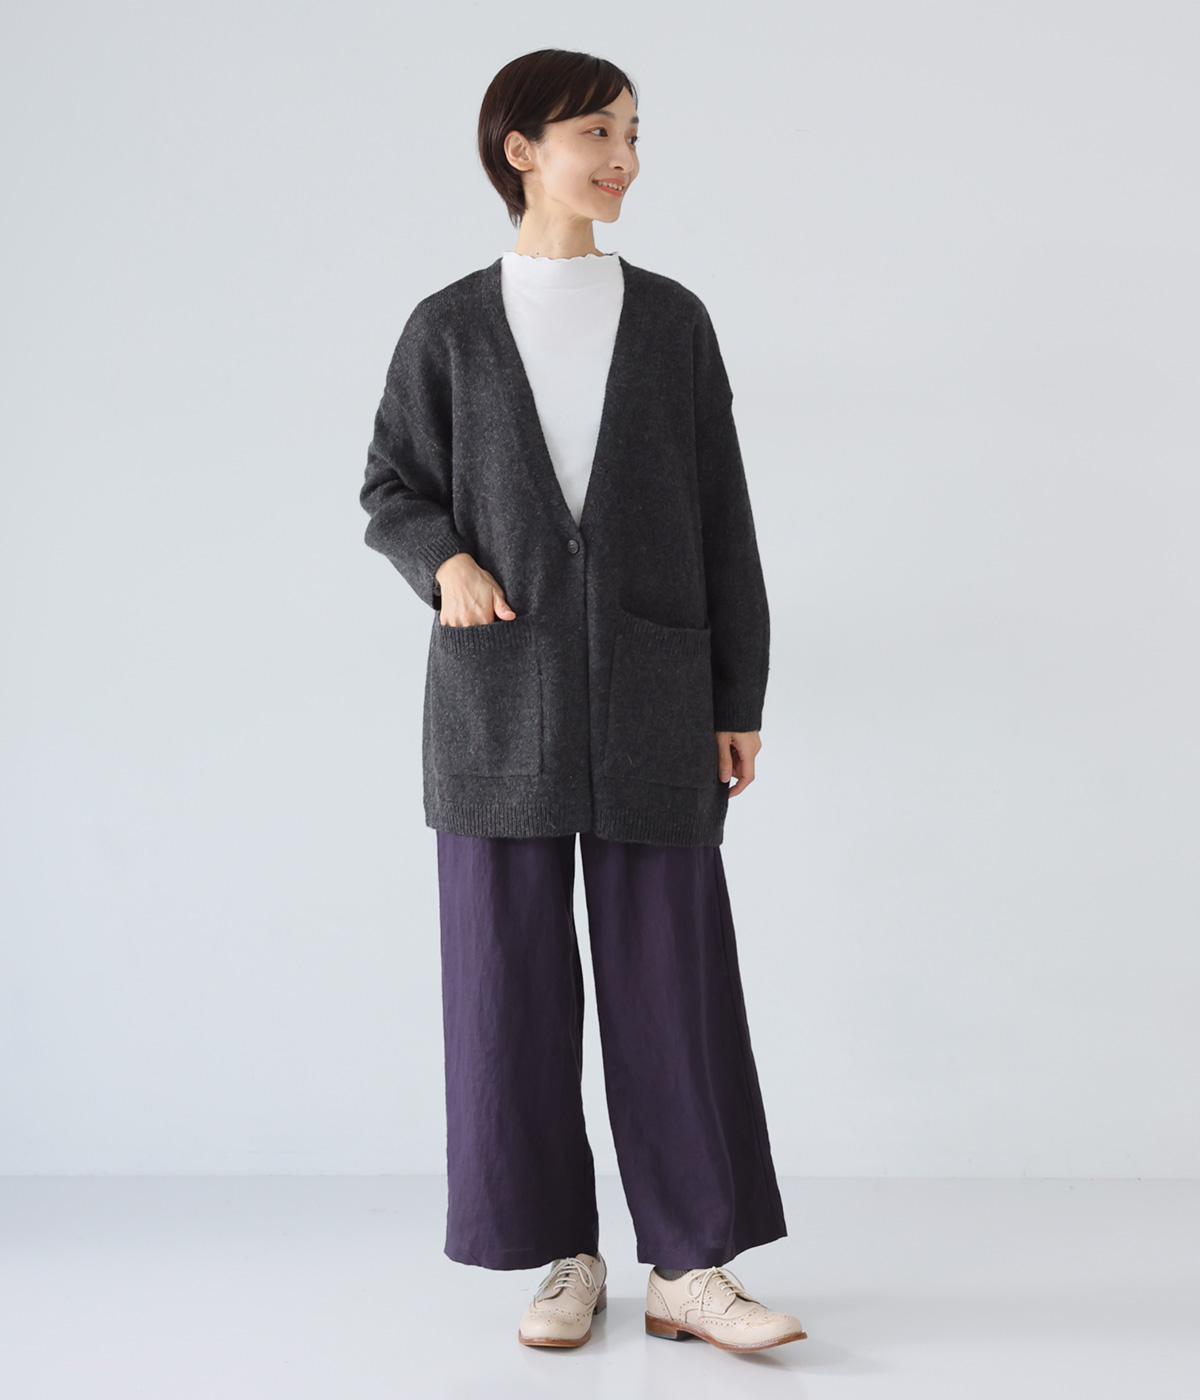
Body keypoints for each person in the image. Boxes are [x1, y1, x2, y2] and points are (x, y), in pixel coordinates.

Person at [360, 48, 805, 1353]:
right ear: (521, 149)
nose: (622, 157)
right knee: (507, 988)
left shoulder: (671, 321)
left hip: (658, 692)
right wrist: (443, 562)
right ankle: (562, 1254)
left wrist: (737, 692)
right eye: (595, 133)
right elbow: (391, 484)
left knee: (672, 980)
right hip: (496, 703)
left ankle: (691, 1265)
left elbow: (723, 513)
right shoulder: (448, 327)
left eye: (631, 132)